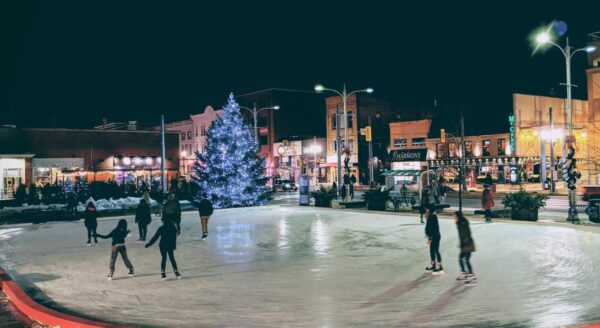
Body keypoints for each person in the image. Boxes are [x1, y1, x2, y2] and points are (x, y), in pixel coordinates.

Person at [454, 211, 476, 284]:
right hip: (464, 244)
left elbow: (466, 234)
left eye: (455, 216)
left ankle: (472, 275)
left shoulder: (463, 224)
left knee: (466, 260)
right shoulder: (460, 224)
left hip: (468, 244)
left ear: (458, 217)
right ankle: (464, 273)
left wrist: (463, 244)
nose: (454, 218)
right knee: (460, 259)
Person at [424, 205, 443, 275]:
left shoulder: (433, 217)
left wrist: (430, 238)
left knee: (436, 250)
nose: (426, 211)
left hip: (435, 236)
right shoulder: (431, 216)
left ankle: (439, 266)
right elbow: (428, 228)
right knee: (432, 250)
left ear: (430, 211)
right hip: (432, 236)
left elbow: (432, 228)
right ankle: (433, 264)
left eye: (427, 210)